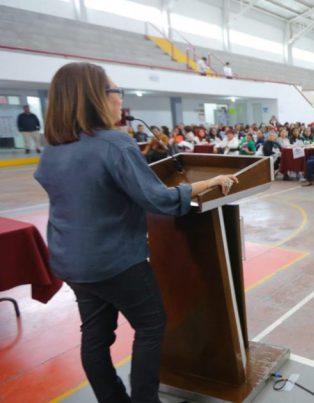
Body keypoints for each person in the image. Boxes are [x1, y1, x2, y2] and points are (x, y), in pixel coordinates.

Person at [33, 62, 237, 403]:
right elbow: (158, 200)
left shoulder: (54, 147)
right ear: (96, 97)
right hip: (114, 261)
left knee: (95, 336)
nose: (120, 100)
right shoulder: (114, 144)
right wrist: (208, 183)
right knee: (151, 325)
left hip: (70, 261)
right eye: (117, 92)